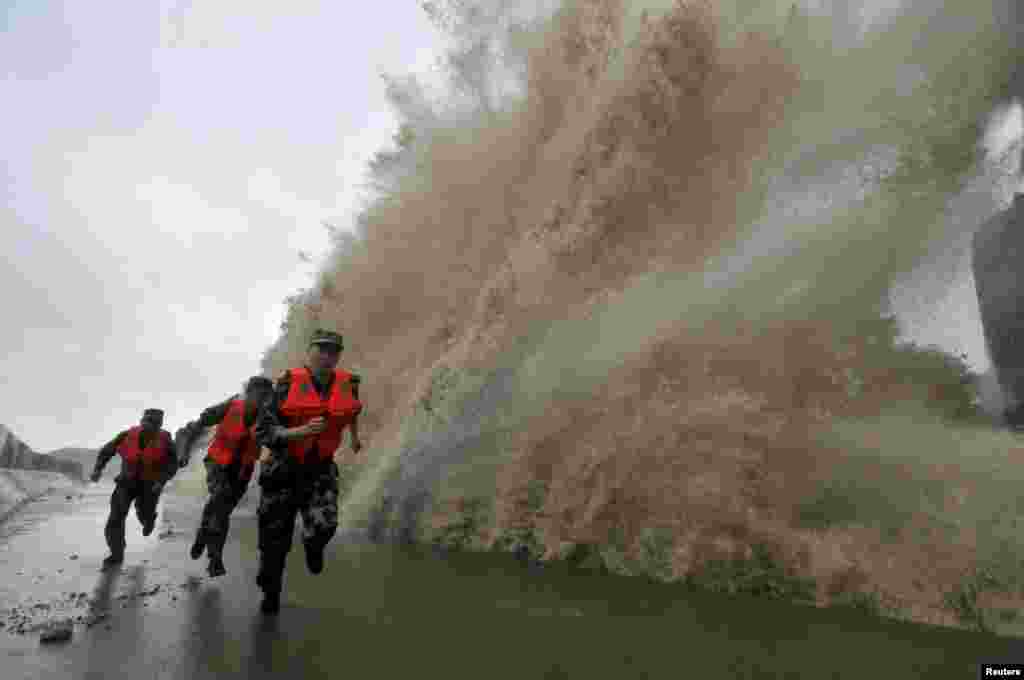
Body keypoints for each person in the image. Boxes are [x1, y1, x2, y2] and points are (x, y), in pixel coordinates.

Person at [253, 329, 364, 614]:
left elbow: (351, 412)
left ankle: (313, 547)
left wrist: (354, 437)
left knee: (325, 526)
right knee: (273, 545)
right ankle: (271, 591)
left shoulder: (348, 384)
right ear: (311, 350)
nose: (328, 356)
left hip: (320, 470)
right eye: (322, 349)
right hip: (282, 469)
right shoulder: (287, 384)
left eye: (334, 351)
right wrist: (298, 432)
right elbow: (264, 431)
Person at [175, 376, 275, 577]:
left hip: (242, 470)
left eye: (266, 395)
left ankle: (203, 534)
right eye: (257, 393)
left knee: (222, 510)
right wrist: (184, 451)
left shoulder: (269, 418)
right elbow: (198, 425)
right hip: (217, 462)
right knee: (220, 499)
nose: (261, 399)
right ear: (248, 392)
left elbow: (273, 442)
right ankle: (215, 558)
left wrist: (269, 457)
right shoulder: (229, 406)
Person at [90, 408, 178, 568]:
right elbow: (106, 451)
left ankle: (149, 520)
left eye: (154, 424)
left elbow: (173, 464)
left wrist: (161, 481)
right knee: (116, 517)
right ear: (141, 421)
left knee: (144, 512)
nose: (148, 426)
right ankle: (116, 553)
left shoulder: (166, 440)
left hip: (150, 485)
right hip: (126, 482)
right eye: (146, 422)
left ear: (159, 426)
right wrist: (98, 469)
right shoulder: (127, 435)